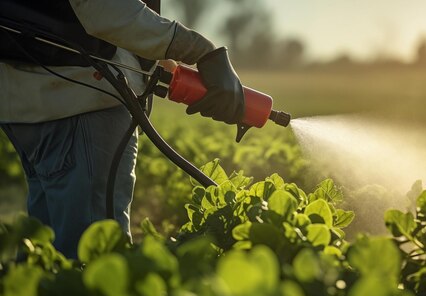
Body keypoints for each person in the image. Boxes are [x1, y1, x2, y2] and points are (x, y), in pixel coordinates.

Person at [0, 0, 244, 259]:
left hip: (33, 99)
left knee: (49, 251)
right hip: (79, 104)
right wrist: (202, 51)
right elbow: (102, 7)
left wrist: (154, 56)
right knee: (96, 256)